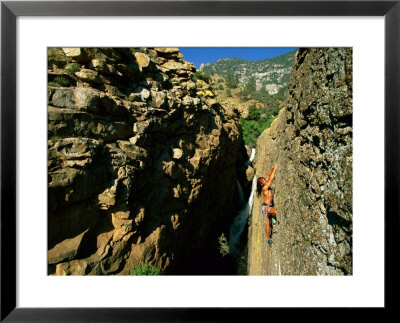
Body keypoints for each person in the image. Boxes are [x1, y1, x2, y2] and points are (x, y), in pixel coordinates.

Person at [257, 165, 278, 246]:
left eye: (264, 180)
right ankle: (273, 218)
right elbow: (271, 179)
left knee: (268, 224)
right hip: (267, 207)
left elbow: (269, 175)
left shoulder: (264, 183)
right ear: (262, 184)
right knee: (275, 213)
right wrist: (275, 169)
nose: (265, 181)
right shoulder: (265, 187)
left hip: (265, 207)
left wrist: (272, 168)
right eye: (263, 182)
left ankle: (268, 239)